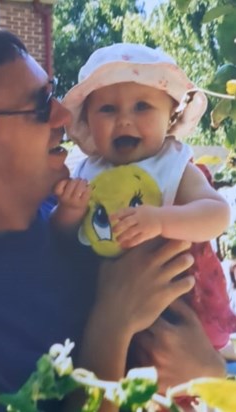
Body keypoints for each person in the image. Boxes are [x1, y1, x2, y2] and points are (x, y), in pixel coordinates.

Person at [0, 27, 226, 412]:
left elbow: (202, 368)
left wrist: (209, 370)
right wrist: (111, 326)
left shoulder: (76, 217)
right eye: (39, 105)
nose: (64, 115)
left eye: (52, 93)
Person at [52, 43, 234, 351]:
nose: (124, 119)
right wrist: (68, 212)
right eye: (107, 109)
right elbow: (65, 240)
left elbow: (217, 215)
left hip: (182, 301)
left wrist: (161, 220)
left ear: (170, 116)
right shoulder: (86, 172)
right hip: (111, 314)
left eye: (142, 107)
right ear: (87, 121)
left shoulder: (172, 163)